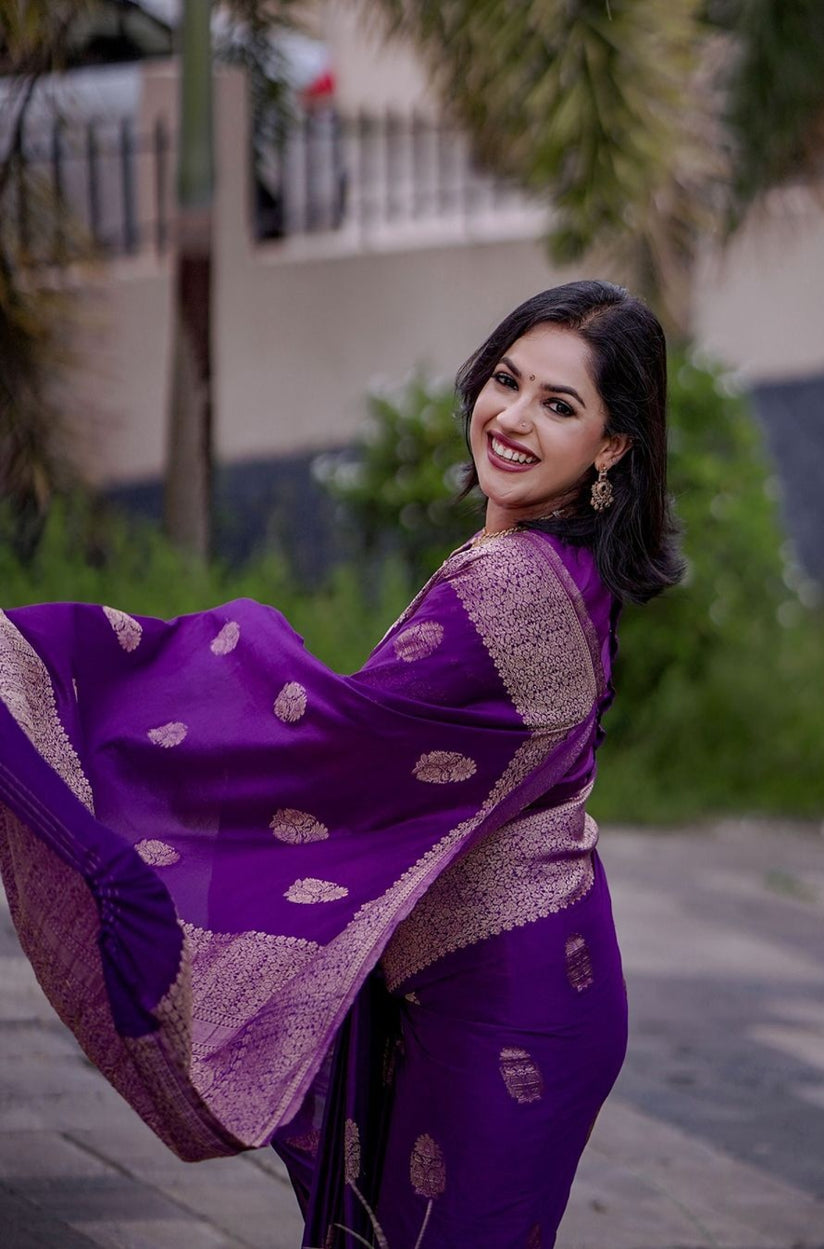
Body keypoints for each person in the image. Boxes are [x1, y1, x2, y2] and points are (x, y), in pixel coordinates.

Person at [0, 279, 682, 1248]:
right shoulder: (555, 558)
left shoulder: (512, 587)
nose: (512, 417)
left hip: (503, 1007)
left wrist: (91, 678)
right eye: (505, 379)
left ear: (611, 445)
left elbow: (335, 739)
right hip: (512, 977)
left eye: (558, 403)